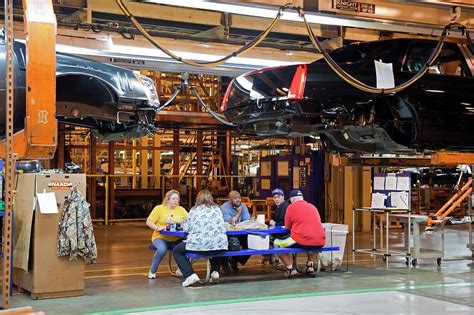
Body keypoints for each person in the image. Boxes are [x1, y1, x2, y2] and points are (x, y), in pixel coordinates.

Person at [173, 190, 228, 287]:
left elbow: (187, 229)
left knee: (177, 250)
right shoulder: (217, 209)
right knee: (215, 246)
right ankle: (215, 271)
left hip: (199, 244)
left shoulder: (194, 210)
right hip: (220, 245)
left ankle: (190, 275)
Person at [274, 189, 325, 278]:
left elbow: (287, 227)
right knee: (311, 241)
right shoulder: (313, 206)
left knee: (277, 243)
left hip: (301, 239)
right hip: (320, 241)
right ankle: (310, 265)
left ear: (292, 199)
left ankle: (290, 269)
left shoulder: (290, 207)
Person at [146, 189, 188, 279]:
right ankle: (152, 271)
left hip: (177, 238)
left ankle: (180, 270)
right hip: (161, 237)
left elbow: (190, 220)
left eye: (177, 199)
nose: (176, 201)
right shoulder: (159, 209)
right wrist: (157, 228)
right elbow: (149, 222)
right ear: (168, 199)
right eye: (173, 199)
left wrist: (186, 227)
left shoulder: (181, 210)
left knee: (185, 248)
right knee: (162, 249)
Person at [220, 190, 251, 271]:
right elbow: (231, 223)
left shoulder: (243, 206)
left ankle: (235, 259)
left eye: (239, 198)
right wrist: (239, 212)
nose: (238, 200)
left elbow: (247, 221)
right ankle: (225, 262)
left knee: (251, 243)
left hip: (241, 233)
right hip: (228, 234)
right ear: (229, 200)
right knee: (229, 242)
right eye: (235, 198)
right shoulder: (224, 208)